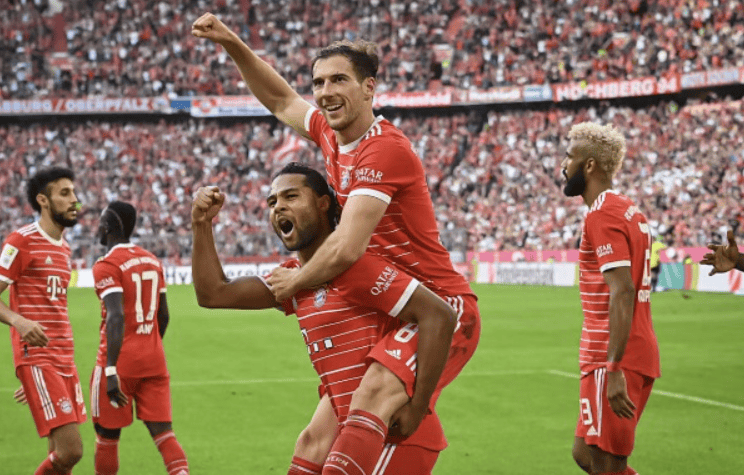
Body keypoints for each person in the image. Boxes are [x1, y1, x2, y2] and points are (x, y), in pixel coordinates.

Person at [192, 15, 480, 473]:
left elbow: (346, 247)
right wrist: (231, 42)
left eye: (339, 79)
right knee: (315, 437)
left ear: (369, 88)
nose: (325, 91)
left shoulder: (383, 149)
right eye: (319, 82)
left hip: (439, 304)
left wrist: (296, 282)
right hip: (390, 305)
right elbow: (280, 99)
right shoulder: (330, 136)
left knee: (373, 393)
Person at [192, 163, 460, 475]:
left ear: (323, 204)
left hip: (391, 436)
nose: (278, 207)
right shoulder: (293, 281)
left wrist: (418, 408)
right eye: (272, 202)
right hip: (349, 436)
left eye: (291, 196)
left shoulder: (354, 266)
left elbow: (439, 315)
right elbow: (213, 293)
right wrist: (201, 224)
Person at [560, 123, 661, 475]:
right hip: (620, 351)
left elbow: (623, 289)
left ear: (589, 165)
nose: (564, 166)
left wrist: (614, 368)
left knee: (607, 465)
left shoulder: (602, 214)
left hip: (614, 356)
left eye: (569, 157)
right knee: (585, 455)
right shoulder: (627, 209)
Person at [0, 167, 86, 475]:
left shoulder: (64, 247)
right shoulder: (22, 240)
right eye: (64, 193)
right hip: (40, 357)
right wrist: (19, 322)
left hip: (64, 359)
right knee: (71, 451)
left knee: (60, 459)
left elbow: (55, 307)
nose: (74, 199)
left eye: (74, 192)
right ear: (43, 200)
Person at [90, 201, 189, 475]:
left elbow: (116, 316)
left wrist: (111, 369)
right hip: (153, 360)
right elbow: (163, 316)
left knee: (107, 437)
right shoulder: (152, 260)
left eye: (99, 222)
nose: (96, 227)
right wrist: (150, 345)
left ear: (108, 227)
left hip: (119, 363)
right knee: (165, 435)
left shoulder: (107, 264)